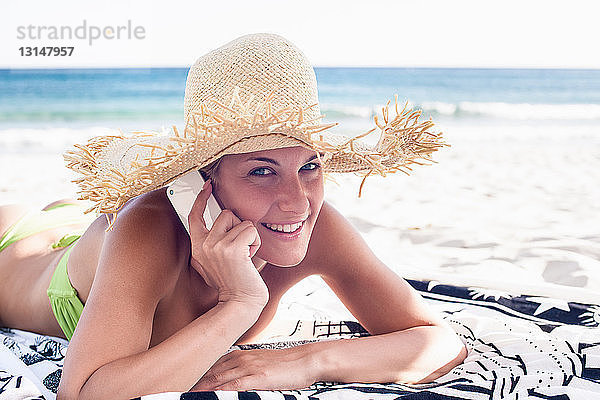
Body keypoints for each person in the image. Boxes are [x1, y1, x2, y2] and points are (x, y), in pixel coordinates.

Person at [0, 33, 466, 399]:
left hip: (81, 238)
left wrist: (311, 361)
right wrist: (238, 304)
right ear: (207, 179)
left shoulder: (315, 226)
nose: (297, 202)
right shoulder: (150, 227)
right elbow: (84, 395)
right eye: (261, 171)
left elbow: (438, 343)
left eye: (309, 166)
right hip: (18, 250)